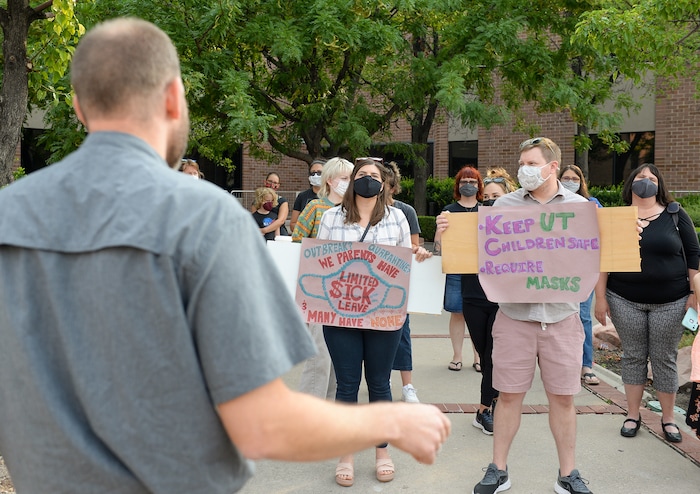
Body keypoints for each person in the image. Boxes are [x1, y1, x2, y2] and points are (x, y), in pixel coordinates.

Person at [0, 19, 451, 494]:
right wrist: (394, 421)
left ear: (77, 106)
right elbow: (263, 424)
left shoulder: (9, 213)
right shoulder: (204, 217)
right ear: (174, 98)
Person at [438, 137, 594, 494]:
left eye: (532, 162)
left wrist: (625, 237)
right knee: (507, 395)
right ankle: (499, 469)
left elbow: (600, 254)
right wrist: (448, 234)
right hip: (514, 317)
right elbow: (469, 252)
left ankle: (568, 474)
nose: (525, 168)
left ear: (552, 166)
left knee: (564, 398)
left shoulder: (581, 208)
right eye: (522, 162)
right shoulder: (501, 207)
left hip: (561, 318)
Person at [316, 157, 434, 487]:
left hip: (384, 315)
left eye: (374, 176)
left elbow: (405, 263)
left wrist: (419, 258)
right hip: (340, 316)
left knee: (380, 384)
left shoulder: (397, 218)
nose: (368, 179)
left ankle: (383, 451)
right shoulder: (330, 217)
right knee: (347, 384)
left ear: (383, 183)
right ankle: (347, 453)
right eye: (362, 175)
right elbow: (319, 262)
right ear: (353, 180)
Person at [595, 163, 699, 444]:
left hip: (672, 301)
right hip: (624, 299)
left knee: (664, 358)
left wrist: (694, 294)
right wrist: (600, 297)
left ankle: (667, 419)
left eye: (651, 178)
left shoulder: (676, 215)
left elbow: (693, 256)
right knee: (633, 356)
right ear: (630, 184)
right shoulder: (616, 218)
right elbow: (604, 258)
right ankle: (632, 415)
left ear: (659, 185)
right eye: (640, 178)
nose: (646, 182)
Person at [292, 157, 354, 399]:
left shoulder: (354, 210)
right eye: (345, 178)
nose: (349, 183)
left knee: (339, 355)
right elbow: (298, 242)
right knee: (320, 354)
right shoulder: (315, 207)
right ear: (330, 180)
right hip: (318, 290)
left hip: (347, 290)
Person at [433, 166, 481, 373]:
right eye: (464, 182)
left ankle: (479, 356)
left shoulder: (486, 209)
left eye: (472, 182)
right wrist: (439, 231)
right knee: (457, 312)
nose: (468, 185)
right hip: (456, 269)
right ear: (457, 185)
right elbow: (438, 246)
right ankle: (457, 356)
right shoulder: (448, 211)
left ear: (479, 185)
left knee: (479, 314)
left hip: (482, 270)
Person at [559, 164, 602, 386]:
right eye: (565, 178)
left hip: (582, 272)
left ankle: (587, 365)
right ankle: (565, 364)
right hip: (557, 272)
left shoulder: (591, 204)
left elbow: (605, 232)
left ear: (581, 181)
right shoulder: (551, 206)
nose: (570, 181)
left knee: (583, 317)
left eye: (574, 178)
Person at [385, 161, 422, 403]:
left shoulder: (405, 211)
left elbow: (414, 245)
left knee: (402, 334)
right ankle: (382, 377)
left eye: (385, 185)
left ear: (394, 187)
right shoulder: (362, 210)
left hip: (397, 282)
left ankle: (407, 385)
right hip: (371, 284)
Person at [290, 158, 326, 233]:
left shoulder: (332, 196)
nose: (316, 175)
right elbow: (293, 223)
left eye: (319, 173)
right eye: (313, 173)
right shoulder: (302, 196)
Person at [253, 171, 290, 236]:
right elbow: (254, 219)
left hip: (278, 234)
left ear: (278, 185)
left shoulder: (282, 201)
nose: (272, 185)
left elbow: (281, 220)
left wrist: (264, 230)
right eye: (270, 181)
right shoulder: (256, 202)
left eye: (275, 182)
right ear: (265, 182)